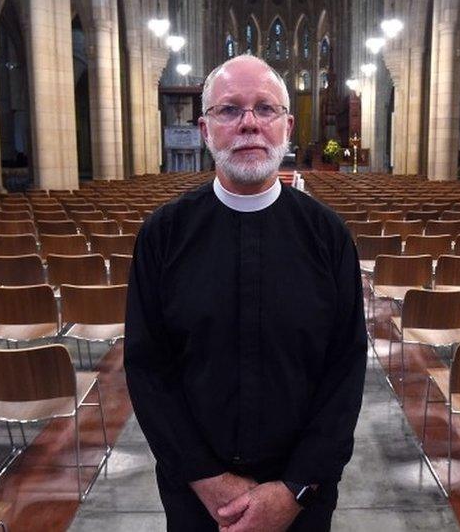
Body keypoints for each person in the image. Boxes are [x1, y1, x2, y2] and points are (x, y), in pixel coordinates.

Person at [124, 54, 367, 532]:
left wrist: (294, 487)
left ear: (288, 126)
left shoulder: (328, 235)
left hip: (302, 497)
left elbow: (346, 370)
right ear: (205, 128)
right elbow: (148, 369)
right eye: (229, 110)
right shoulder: (164, 234)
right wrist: (207, 479)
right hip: (197, 497)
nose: (249, 124)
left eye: (265, 109)